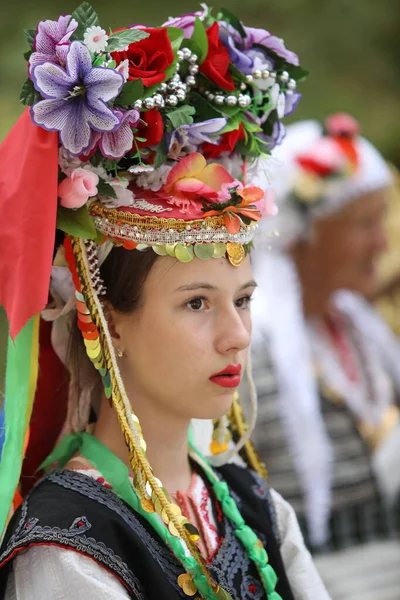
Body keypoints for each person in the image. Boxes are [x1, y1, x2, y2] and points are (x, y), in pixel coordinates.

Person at [0, 5, 329, 599]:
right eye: (197, 304)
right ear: (107, 320)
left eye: (244, 299)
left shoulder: (259, 509)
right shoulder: (68, 545)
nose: (238, 335)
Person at [249, 113, 400, 598]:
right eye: (364, 224)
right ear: (302, 240)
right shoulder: (254, 353)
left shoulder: (363, 330)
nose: (382, 241)